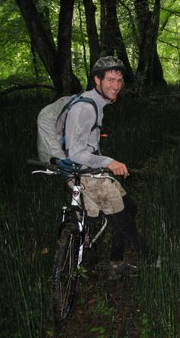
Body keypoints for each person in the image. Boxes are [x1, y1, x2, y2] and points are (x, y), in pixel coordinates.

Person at [63, 56, 149, 280]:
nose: (116, 86)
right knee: (125, 220)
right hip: (86, 174)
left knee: (129, 208)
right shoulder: (86, 108)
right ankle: (149, 262)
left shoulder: (96, 103)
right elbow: (75, 153)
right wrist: (109, 162)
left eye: (119, 80)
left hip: (88, 171)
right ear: (97, 80)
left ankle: (100, 262)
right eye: (110, 80)